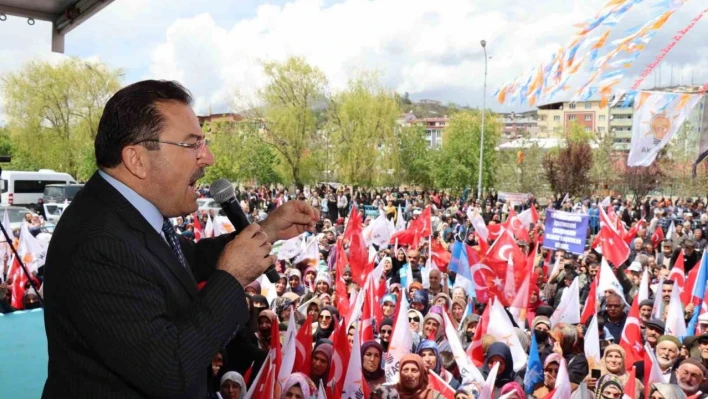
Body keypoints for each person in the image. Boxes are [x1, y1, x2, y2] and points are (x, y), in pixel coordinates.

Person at [42, 80, 319, 398]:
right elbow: (168, 371)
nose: (209, 158)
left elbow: (182, 260)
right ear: (137, 159)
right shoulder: (97, 243)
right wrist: (231, 278)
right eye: (192, 145)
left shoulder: (125, 212)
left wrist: (266, 230)